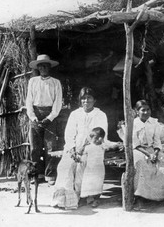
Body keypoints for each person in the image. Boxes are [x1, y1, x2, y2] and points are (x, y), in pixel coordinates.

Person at [51, 87, 120, 209]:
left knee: (91, 161)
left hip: (94, 145)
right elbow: (69, 134)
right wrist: (72, 149)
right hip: (75, 146)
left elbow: (100, 135)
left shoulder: (100, 115)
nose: (86, 101)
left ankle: (90, 195)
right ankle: (66, 198)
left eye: (89, 98)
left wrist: (83, 148)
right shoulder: (75, 114)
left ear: (94, 100)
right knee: (65, 164)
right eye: (83, 98)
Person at [132, 100, 164, 210]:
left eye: (148, 110)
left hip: (154, 149)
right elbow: (135, 144)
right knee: (141, 165)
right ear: (137, 111)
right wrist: (148, 154)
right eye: (143, 110)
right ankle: (140, 198)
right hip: (139, 150)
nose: (146, 112)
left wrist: (155, 153)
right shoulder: (133, 124)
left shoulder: (154, 122)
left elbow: (157, 141)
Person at [25, 54, 63, 185]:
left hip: (50, 115)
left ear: (49, 67)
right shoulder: (33, 81)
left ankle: (50, 174)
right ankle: (36, 174)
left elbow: (58, 103)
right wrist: (33, 117)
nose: (43, 68)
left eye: (46, 65)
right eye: (41, 66)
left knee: (50, 147)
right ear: (38, 67)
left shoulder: (56, 82)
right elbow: (29, 101)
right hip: (35, 114)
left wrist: (50, 118)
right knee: (35, 147)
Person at [79, 127, 121, 208]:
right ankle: (87, 198)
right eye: (92, 138)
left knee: (98, 184)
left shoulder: (102, 146)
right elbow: (80, 152)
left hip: (99, 169)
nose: (94, 140)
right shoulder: (89, 146)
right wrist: (83, 145)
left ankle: (96, 199)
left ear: (101, 138)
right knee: (88, 183)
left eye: (95, 138)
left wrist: (117, 144)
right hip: (90, 169)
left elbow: (112, 145)